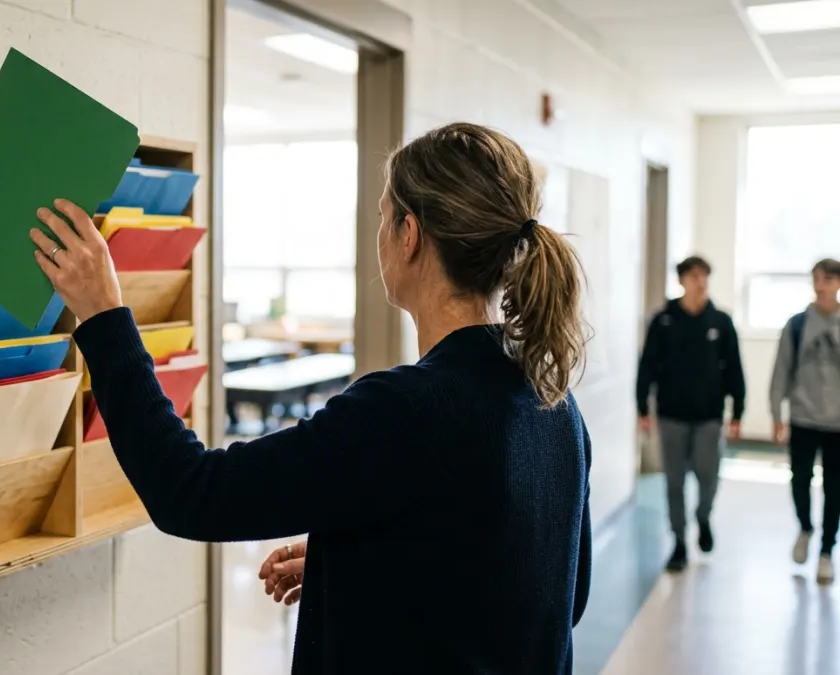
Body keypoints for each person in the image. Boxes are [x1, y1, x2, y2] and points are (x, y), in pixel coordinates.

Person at [30, 123, 592, 674]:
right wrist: (358, 565)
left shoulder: (401, 412)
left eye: (380, 215)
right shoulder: (557, 407)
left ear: (409, 234)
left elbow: (190, 491)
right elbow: (555, 595)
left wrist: (104, 318)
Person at [636, 255, 745, 573]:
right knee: (674, 482)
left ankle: (703, 516)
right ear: (682, 280)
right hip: (671, 414)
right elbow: (647, 366)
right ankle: (680, 541)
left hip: (709, 415)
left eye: (705, 276)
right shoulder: (664, 320)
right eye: (695, 276)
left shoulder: (720, 322)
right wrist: (643, 407)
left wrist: (738, 410)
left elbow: (734, 369)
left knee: (708, 476)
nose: (701, 282)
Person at [770, 258, 840, 584]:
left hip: (837, 423)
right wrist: (776, 414)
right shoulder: (797, 324)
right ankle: (805, 528)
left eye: (828, 278)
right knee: (800, 480)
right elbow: (781, 370)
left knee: (834, 489)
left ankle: (827, 550)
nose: (821, 284)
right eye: (816, 278)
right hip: (803, 417)